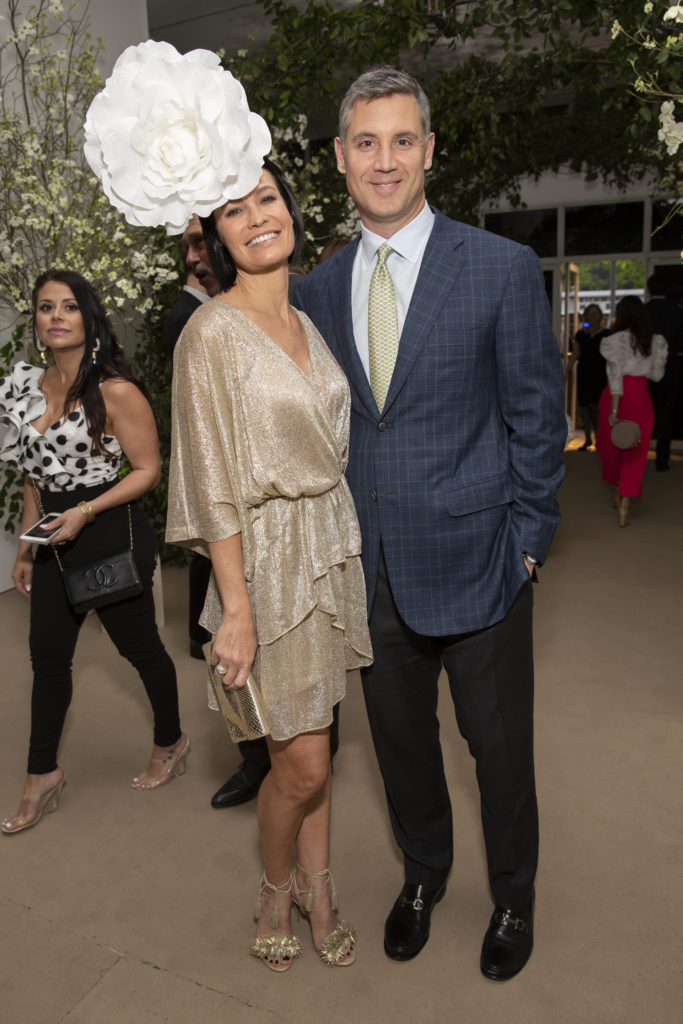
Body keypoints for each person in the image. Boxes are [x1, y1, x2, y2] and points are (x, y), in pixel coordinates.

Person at [295, 67, 566, 981]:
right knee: (402, 751)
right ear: (339, 157)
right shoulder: (315, 292)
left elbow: (536, 417)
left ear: (428, 150)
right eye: (365, 142)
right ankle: (423, 877)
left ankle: (514, 896)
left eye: (402, 140)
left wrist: (528, 542)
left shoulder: (495, 268)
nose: (384, 160)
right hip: (370, 576)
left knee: (498, 755)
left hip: (484, 566)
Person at [166, 158, 372, 971]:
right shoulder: (209, 332)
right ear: (213, 235)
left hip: (325, 550)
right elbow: (212, 481)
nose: (257, 216)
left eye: (267, 198)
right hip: (264, 564)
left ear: (288, 208)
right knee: (304, 763)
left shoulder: (306, 320)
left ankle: (320, 891)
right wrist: (237, 609)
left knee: (310, 747)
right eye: (233, 210)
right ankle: (274, 888)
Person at [0, 270, 189, 836]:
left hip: (105, 526)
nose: (56, 316)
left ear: (88, 318)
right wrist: (26, 546)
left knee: (140, 649)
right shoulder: (23, 386)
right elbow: (36, 477)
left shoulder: (113, 389)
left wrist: (84, 512)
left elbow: (149, 470)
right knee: (47, 659)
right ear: (35, 321)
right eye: (45, 307)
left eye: (68, 307)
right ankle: (42, 775)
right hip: (52, 531)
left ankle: (171, 740)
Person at [164, 215, 275, 809]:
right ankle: (254, 759)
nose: (195, 255)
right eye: (188, 246)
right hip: (224, 513)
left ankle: (299, 754)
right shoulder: (193, 321)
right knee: (231, 649)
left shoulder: (289, 305)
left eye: (199, 242)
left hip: (291, 521)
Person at [596, 295, 668, 526]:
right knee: (636, 448)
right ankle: (624, 501)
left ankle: (620, 490)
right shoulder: (655, 341)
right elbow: (657, 376)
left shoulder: (613, 340)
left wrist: (615, 411)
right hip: (640, 397)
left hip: (615, 397)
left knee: (611, 446)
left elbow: (615, 377)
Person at [645, 272, 683, 472]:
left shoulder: (644, 311)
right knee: (666, 412)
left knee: (645, 411)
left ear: (650, 289)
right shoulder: (676, 311)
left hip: (644, 367)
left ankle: (639, 453)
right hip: (670, 367)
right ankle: (662, 458)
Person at [567, 303, 608, 449]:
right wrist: (567, 367)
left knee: (596, 406)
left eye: (596, 313)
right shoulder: (580, 335)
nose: (593, 316)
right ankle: (587, 439)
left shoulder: (606, 334)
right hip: (585, 372)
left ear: (600, 316)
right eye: (590, 313)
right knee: (584, 405)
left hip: (600, 373)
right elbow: (577, 353)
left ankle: (599, 437)